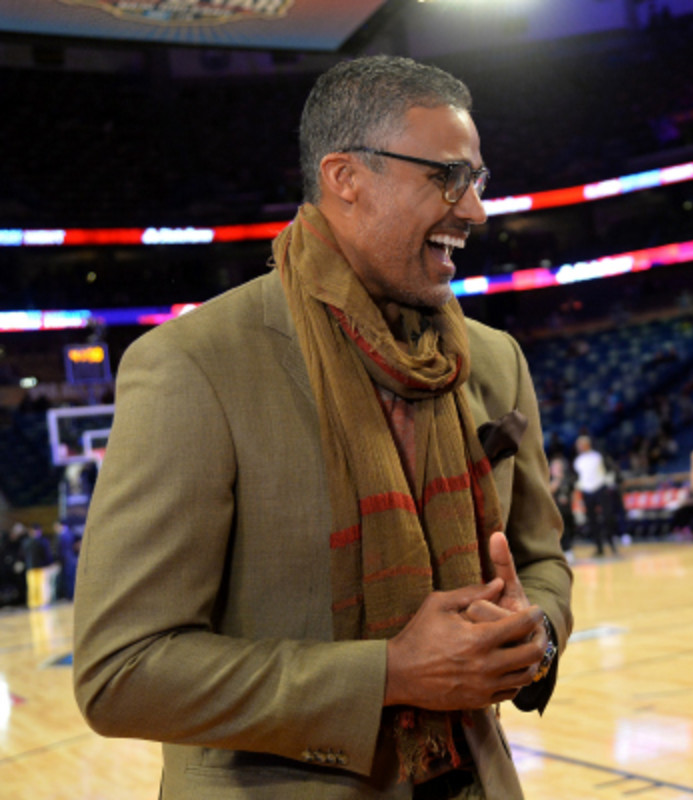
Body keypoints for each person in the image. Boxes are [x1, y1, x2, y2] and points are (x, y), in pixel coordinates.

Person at [73, 55, 573, 800]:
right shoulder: (194, 365)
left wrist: (538, 633)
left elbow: (542, 563)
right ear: (345, 177)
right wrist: (391, 673)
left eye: (479, 180)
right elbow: (121, 671)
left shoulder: (494, 360)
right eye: (449, 177)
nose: (475, 211)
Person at [573, 435, 619, 557]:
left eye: (580, 445)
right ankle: (599, 548)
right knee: (592, 520)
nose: (579, 447)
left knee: (607, 517)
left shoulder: (598, 456)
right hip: (587, 492)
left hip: (600, 488)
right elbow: (577, 477)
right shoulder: (578, 461)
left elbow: (610, 470)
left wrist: (608, 482)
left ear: (587, 444)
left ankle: (612, 545)